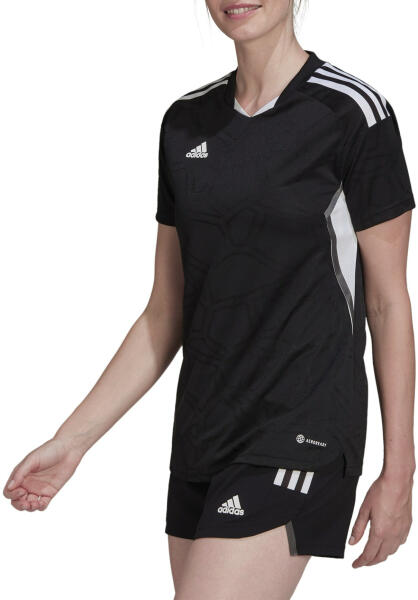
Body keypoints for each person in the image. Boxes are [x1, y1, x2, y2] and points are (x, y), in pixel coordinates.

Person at [3, 1, 416, 598]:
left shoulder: (352, 113)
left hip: (300, 429)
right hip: (203, 435)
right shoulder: (185, 124)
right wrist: (73, 441)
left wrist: (399, 469)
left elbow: (388, 303)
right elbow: (165, 312)